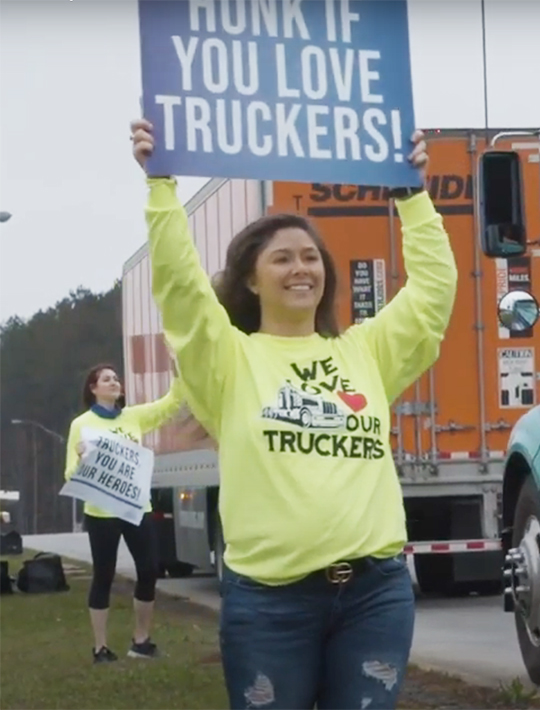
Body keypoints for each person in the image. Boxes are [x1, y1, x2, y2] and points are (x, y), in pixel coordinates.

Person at [129, 117, 458, 710]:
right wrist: (161, 186)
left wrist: (411, 195)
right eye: (282, 259)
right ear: (251, 280)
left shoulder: (365, 352)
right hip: (270, 602)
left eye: (311, 257)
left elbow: (433, 294)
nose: (301, 268)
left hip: (375, 595)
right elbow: (182, 291)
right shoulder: (228, 361)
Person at [64, 363, 185, 663]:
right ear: (93, 388)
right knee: (103, 575)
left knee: (149, 570)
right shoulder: (82, 424)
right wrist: (81, 460)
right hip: (101, 511)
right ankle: (100, 647)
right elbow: (69, 473)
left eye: (116, 378)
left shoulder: (133, 417)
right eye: (106, 379)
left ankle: (141, 640)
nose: (114, 382)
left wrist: (179, 373)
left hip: (136, 507)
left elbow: (170, 404)